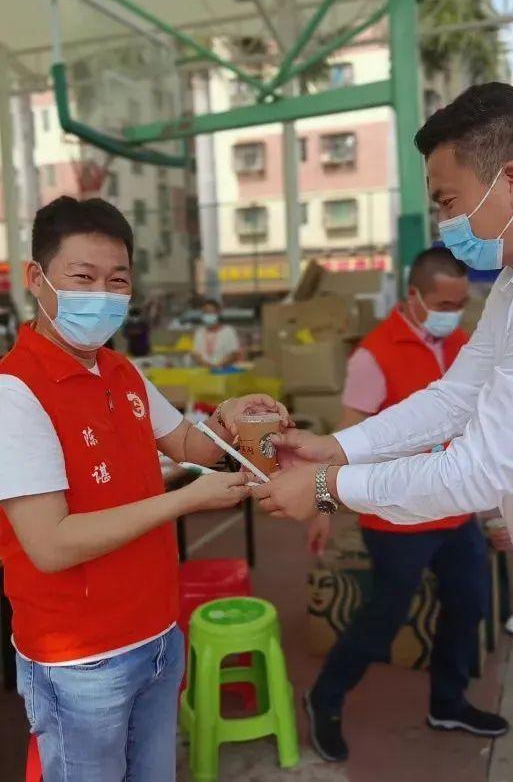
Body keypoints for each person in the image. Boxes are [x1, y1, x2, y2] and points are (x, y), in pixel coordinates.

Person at [253, 82, 513, 782]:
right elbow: (458, 395)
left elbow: (479, 469)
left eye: (448, 201)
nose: (445, 223)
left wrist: (326, 488)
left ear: (511, 180)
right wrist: (339, 446)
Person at [0, 195, 289, 782]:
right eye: (83, 278)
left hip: (156, 633)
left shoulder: (120, 370)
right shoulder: (16, 393)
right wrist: (186, 500)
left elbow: (187, 444)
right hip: (82, 660)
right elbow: (50, 544)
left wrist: (231, 418)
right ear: (36, 278)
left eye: (118, 281)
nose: (103, 295)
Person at [303, 247, 506, 763]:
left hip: (453, 507)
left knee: (468, 604)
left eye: (460, 304)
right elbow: (347, 435)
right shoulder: (373, 355)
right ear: (414, 296)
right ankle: (325, 698)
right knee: (384, 617)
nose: (452, 314)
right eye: (443, 304)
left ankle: (448, 703)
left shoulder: (463, 345)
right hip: (394, 515)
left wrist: (494, 509)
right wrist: (323, 505)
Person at [193, 298, 241, 368]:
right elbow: (196, 355)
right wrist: (207, 366)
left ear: (218, 313)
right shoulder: (199, 332)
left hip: (224, 371)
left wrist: (220, 366)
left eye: (210, 312)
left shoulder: (228, 331)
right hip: (204, 371)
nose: (207, 315)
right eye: (205, 313)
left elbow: (234, 354)